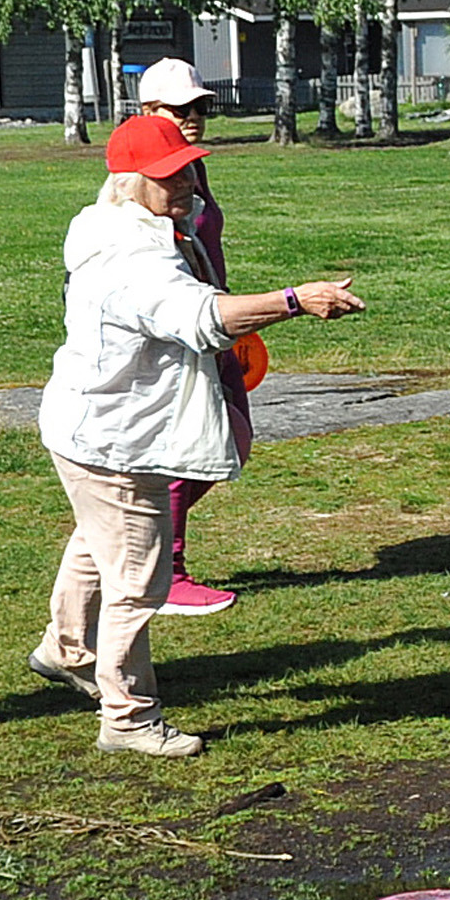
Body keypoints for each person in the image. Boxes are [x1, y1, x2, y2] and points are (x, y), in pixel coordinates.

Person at [30, 112, 364, 757]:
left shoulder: (117, 224)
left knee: (97, 543)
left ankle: (67, 650)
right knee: (139, 582)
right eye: (167, 175)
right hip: (114, 438)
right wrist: (295, 300)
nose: (185, 181)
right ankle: (127, 717)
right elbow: (202, 317)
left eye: (186, 167)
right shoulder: (131, 259)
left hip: (89, 428)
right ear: (128, 183)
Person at [133, 58, 250, 619]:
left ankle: (147, 549)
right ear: (146, 113)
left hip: (214, 320)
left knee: (233, 437)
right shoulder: (142, 175)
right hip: (179, 326)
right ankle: (165, 568)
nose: (193, 116)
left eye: (199, 106)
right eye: (179, 109)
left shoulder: (192, 169)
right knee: (195, 445)